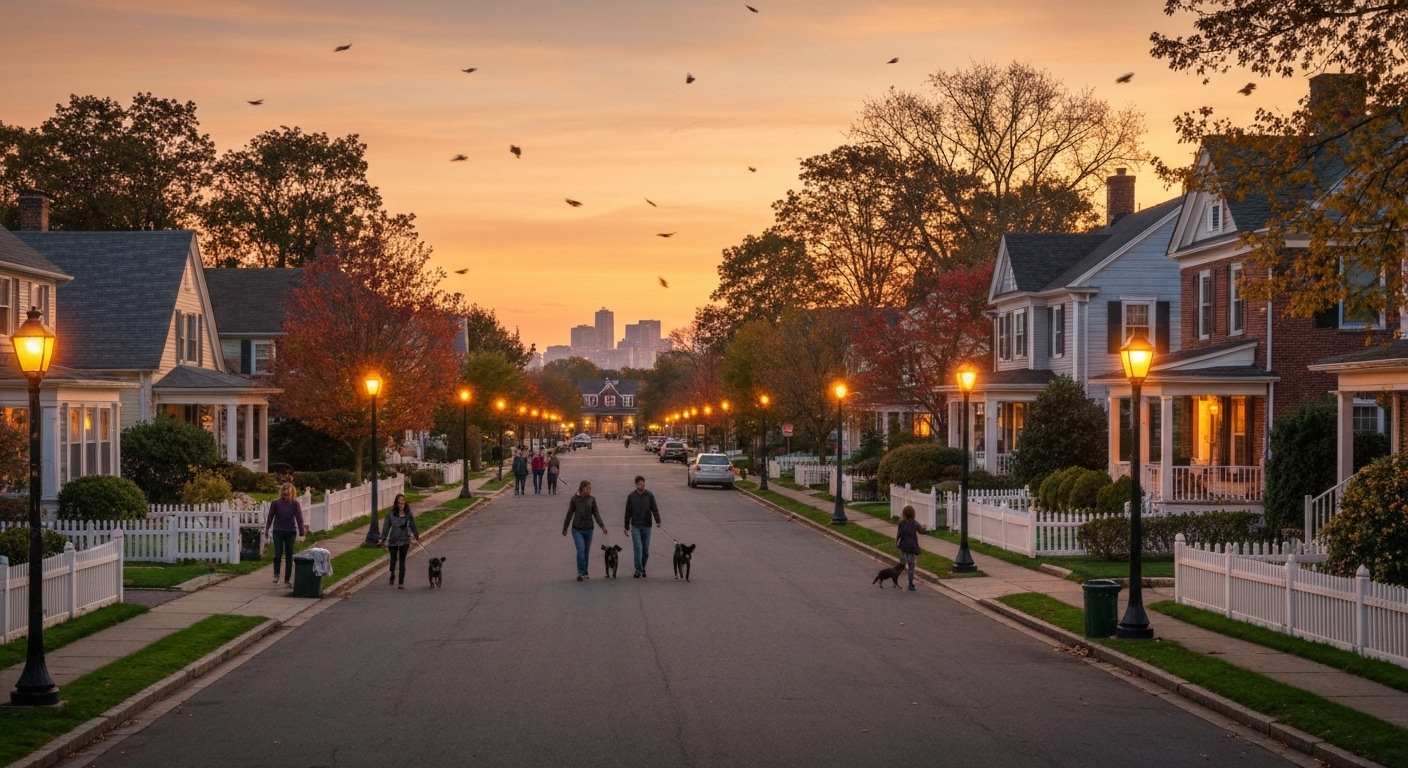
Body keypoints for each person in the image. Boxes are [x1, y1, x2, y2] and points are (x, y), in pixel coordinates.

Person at [561, 480, 607, 581]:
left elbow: (596, 514)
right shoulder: (574, 499)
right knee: (581, 550)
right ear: (582, 488)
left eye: (590, 488)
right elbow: (569, 514)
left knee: (586, 551)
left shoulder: (592, 499)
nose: (589, 490)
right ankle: (580, 572)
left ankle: (585, 571)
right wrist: (565, 528)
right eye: (587, 488)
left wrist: (602, 526)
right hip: (577, 529)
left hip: (589, 529)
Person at [264, 483, 307, 587]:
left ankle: (287, 579)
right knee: (278, 554)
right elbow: (270, 517)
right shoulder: (276, 504)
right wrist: (267, 529)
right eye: (285, 494)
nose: (286, 496)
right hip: (278, 530)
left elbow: (299, 518)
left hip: (290, 531)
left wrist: (302, 532)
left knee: (289, 555)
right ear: (282, 494)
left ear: (292, 494)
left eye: (288, 495)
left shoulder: (295, 504)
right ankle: (276, 575)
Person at [622, 475, 660, 577]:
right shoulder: (631, 497)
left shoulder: (649, 496)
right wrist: (626, 527)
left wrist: (658, 521)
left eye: (643, 485)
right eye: (639, 485)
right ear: (636, 485)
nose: (641, 487)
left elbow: (654, 509)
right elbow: (628, 513)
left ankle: (643, 567)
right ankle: (638, 569)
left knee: (645, 550)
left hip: (647, 526)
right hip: (635, 526)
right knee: (638, 547)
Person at [379, 494, 419, 589]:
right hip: (393, 541)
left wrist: (416, 536)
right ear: (396, 504)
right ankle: (392, 573)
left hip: (405, 540)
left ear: (405, 503)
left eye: (403, 503)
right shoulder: (391, 514)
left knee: (402, 561)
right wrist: (382, 538)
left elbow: (413, 526)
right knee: (393, 560)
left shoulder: (408, 514)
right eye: (399, 503)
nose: (401, 505)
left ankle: (401, 582)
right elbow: (386, 527)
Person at [896, 505, 925, 591]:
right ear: (913, 514)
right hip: (912, 547)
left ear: (904, 514)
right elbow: (921, 531)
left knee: (902, 562)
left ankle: (895, 576)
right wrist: (925, 528)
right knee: (911, 565)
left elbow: (899, 535)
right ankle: (911, 583)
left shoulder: (901, 524)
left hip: (903, 546)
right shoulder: (915, 524)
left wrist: (896, 543)